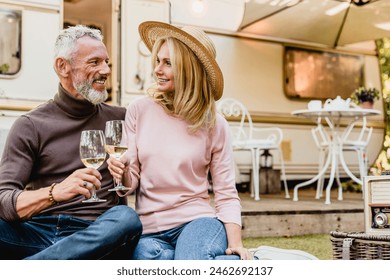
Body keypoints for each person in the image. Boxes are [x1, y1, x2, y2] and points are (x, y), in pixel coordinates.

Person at [107, 21, 252, 260]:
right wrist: (120, 170)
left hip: (197, 222)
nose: (157, 70)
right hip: (149, 231)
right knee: (153, 261)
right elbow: (130, 183)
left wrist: (235, 243)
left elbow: (226, 192)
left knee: (190, 260)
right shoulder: (138, 110)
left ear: (189, 69)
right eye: (157, 61)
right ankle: (230, 266)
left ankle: (227, 259)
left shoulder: (215, 124)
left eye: (168, 63)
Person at [0, 25, 142, 260]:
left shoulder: (121, 117)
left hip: (99, 232)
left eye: (107, 62)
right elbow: (4, 199)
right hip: (39, 232)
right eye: (94, 62)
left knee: (126, 218)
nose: (106, 70)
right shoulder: (30, 125)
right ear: (62, 66)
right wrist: (55, 193)